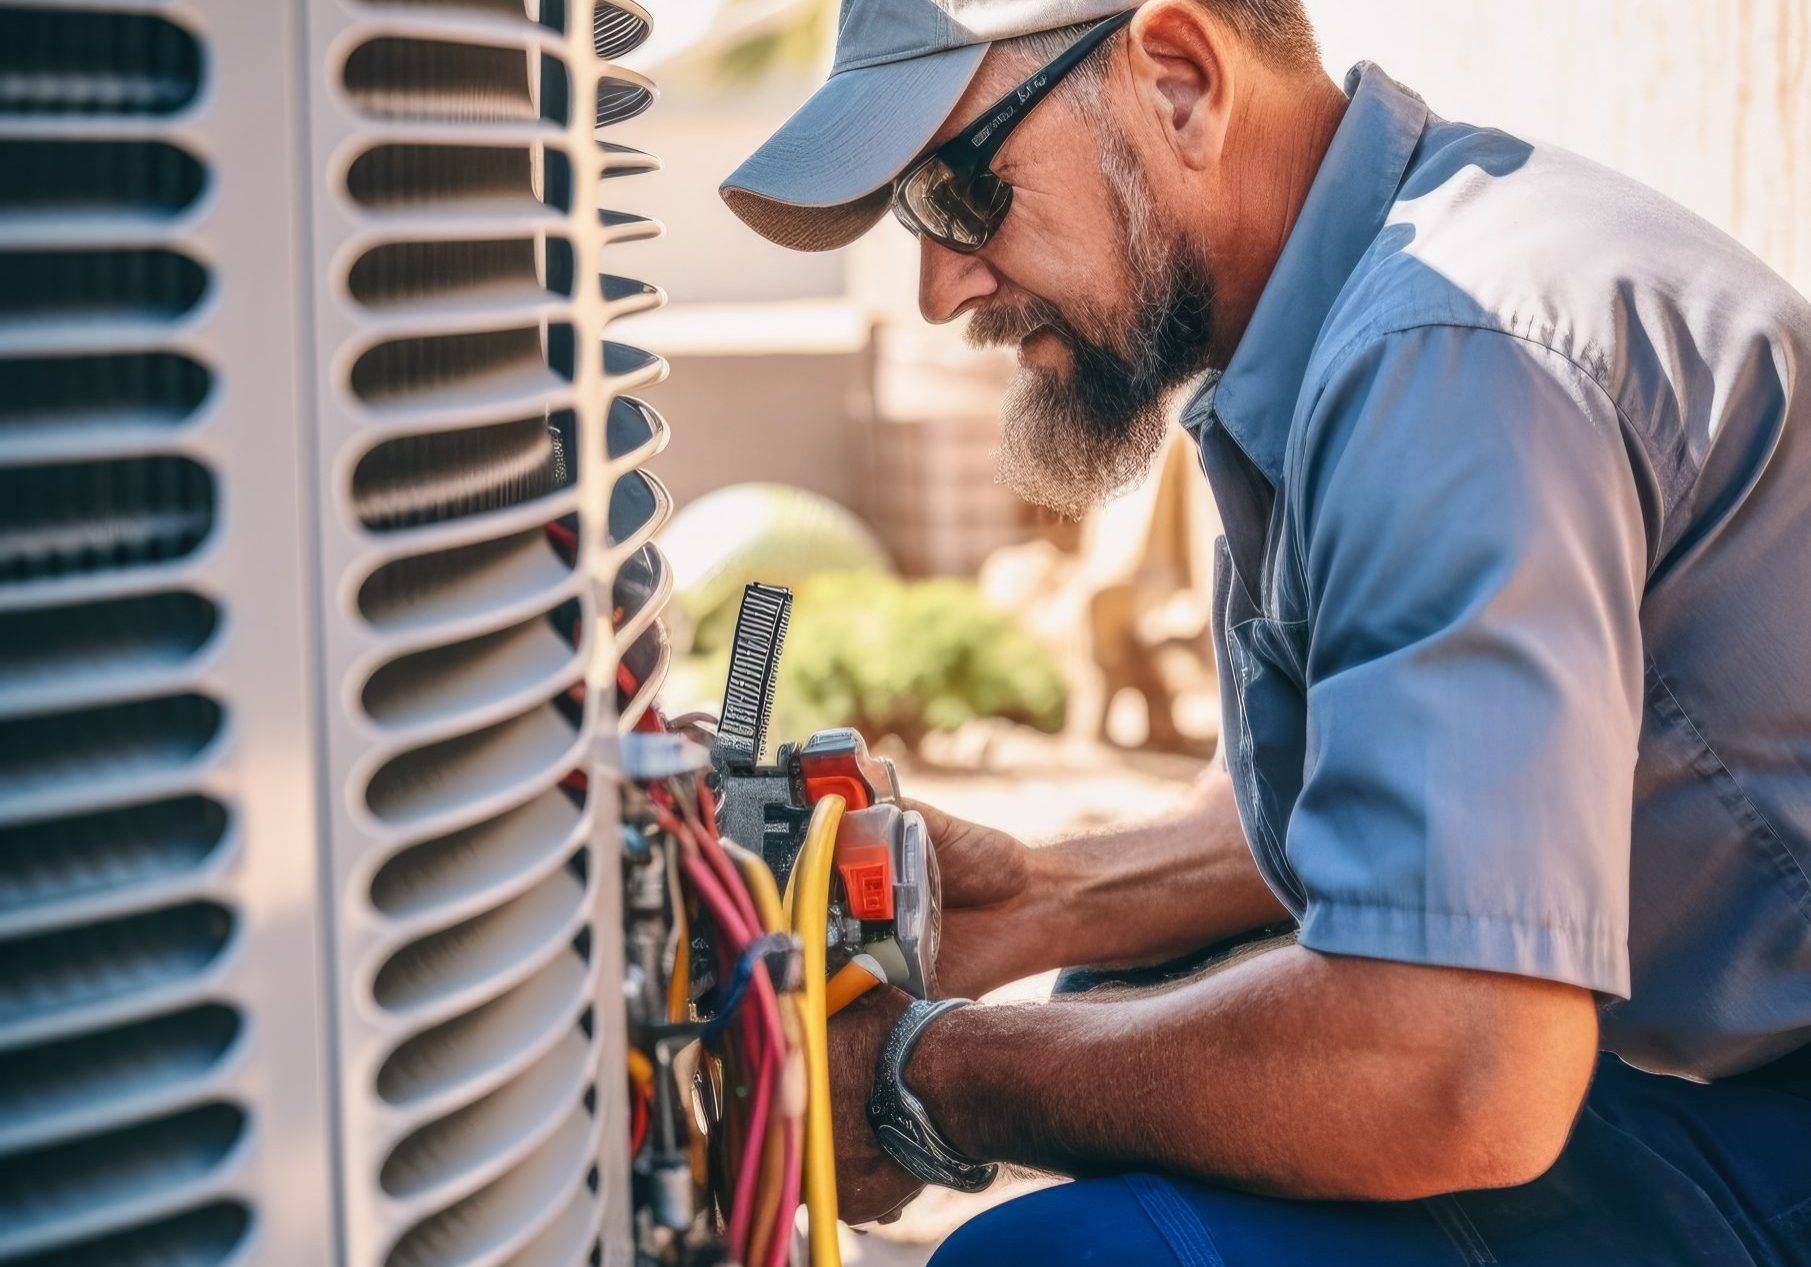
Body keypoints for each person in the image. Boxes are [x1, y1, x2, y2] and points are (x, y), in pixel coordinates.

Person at [719, 2, 1811, 1262]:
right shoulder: (1358, 305)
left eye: (958, 194)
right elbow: (1412, 810)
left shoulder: (1449, 361)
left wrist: (928, 1075)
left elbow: (1460, 1060)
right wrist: (1045, 899)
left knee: (1058, 1258)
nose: (937, 287)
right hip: (1726, 1073)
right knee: (1114, 997)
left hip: (1769, 1107)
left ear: (1180, 81)